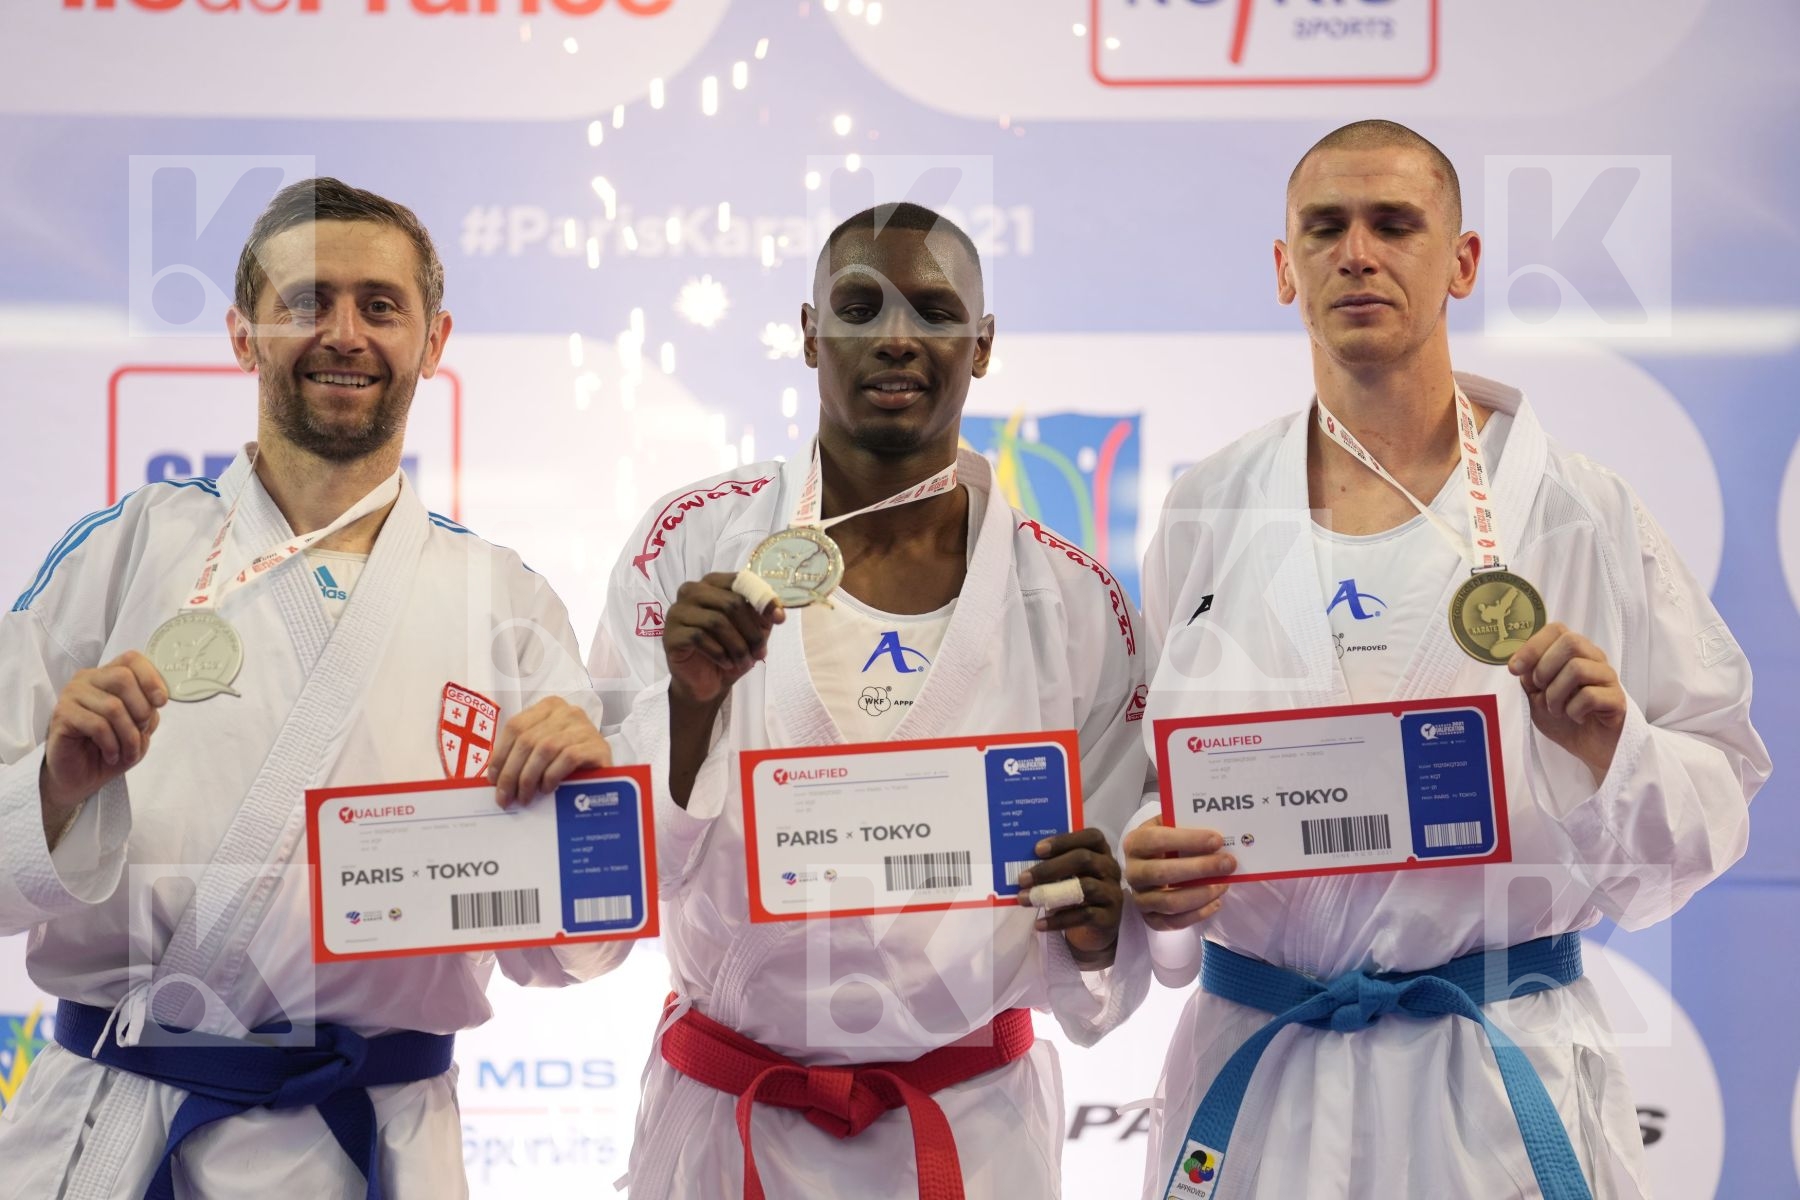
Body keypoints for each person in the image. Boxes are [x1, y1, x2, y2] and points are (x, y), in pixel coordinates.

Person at [1123, 121, 1770, 1200]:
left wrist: (1615, 747)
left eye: (1395, 224)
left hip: (1493, 1069)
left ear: (1460, 261)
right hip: (1263, 1059)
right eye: (1324, 228)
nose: (1358, 253)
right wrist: (1150, 863)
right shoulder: (1208, 508)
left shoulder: (1580, 511)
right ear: (1285, 269)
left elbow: (1719, 794)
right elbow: (1144, 776)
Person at [0, 177, 626, 1199]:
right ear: (244, 334)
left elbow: (572, 959)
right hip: (120, 1127)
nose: (344, 333)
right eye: (305, 302)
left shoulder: (502, 598)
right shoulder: (124, 552)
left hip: (375, 1144)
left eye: (380, 306)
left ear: (434, 339)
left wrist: (584, 816)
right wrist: (56, 793)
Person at [589, 202, 1150, 1198]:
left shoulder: (1071, 597)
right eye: (860, 305)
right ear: (810, 332)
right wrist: (688, 710)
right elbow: (617, 866)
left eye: (934, 310)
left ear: (982, 346)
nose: (896, 334)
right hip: (733, 1122)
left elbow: (1109, 919)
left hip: (968, 1128)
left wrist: (1105, 923)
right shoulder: (692, 541)